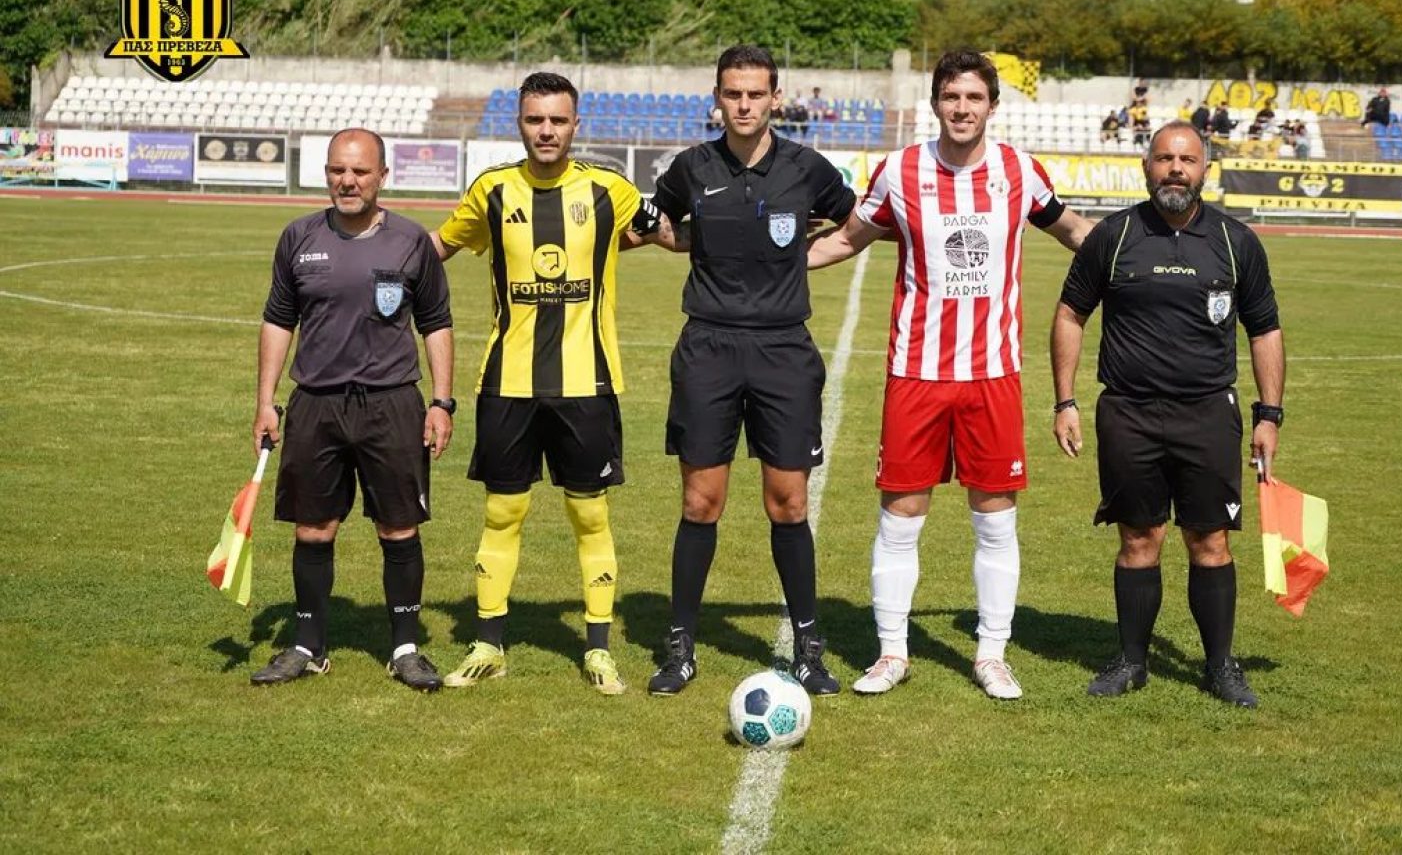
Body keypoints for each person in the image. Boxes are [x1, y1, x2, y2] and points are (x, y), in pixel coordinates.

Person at [806, 50, 1094, 699]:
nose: (962, 109)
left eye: (974, 98)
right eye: (951, 97)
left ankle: (992, 654)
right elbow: (847, 238)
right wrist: (765, 265)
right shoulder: (900, 171)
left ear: (992, 105)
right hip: (917, 372)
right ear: (935, 103)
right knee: (900, 517)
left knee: (995, 519)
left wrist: (1139, 257)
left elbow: (1075, 230)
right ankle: (891, 653)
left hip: (993, 374)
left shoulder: (1020, 171)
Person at [430, 72, 663, 696]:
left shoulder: (610, 189)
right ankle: (489, 645)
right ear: (520, 123)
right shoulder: (491, 190)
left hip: (588, 382)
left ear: (576, 124)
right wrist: (369, 256)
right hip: (507, 382)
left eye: (558, 120)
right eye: (535, 119)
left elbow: (665, 232)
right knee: (502, 511)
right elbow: (437, 248)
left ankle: (598, 649)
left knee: (589, 514)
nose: (547, 131)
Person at [1050, 119, 1286, 709]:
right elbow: (1070, 314)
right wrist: (1065, 401)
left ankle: (1220, 666)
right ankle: (1131, 661)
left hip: (1208, 414)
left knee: (1210, 540)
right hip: (1128, 413)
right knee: (1138, 538)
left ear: (1205, 169)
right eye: (1164, 159)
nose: (1175, 169)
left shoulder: (1235, 241)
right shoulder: (1114, 236)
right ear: (1146, 167)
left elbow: (1264, 329)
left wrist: (1269, 414)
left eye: (1186, 160)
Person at [645, 45, 857, 697]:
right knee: (700, 501)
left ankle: (809, 649)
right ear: (717, 98)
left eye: (755, 94)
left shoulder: (806, 167)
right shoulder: (691, 166)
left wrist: (801, 259)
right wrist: (690, 243)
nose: (743, 105)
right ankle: (680, 648)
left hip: (783, 351)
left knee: (788, 502)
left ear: (775, 98)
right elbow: (663, 227)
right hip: (707, 348)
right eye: (732, 94)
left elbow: (856, 225)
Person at [250, 128, 455, 692]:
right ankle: (307, 646)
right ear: (326, 174)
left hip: (392, 403)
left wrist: (441, 402)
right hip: (316, 404)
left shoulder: (411, 241)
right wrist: (265, 402)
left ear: (382, 176)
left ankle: (406, 649)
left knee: (399, 526)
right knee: (313, 529)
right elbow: (278, 320)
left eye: (360, 172)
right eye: (338, 170)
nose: (348, 181)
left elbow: (436, 324)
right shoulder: (298, 237)